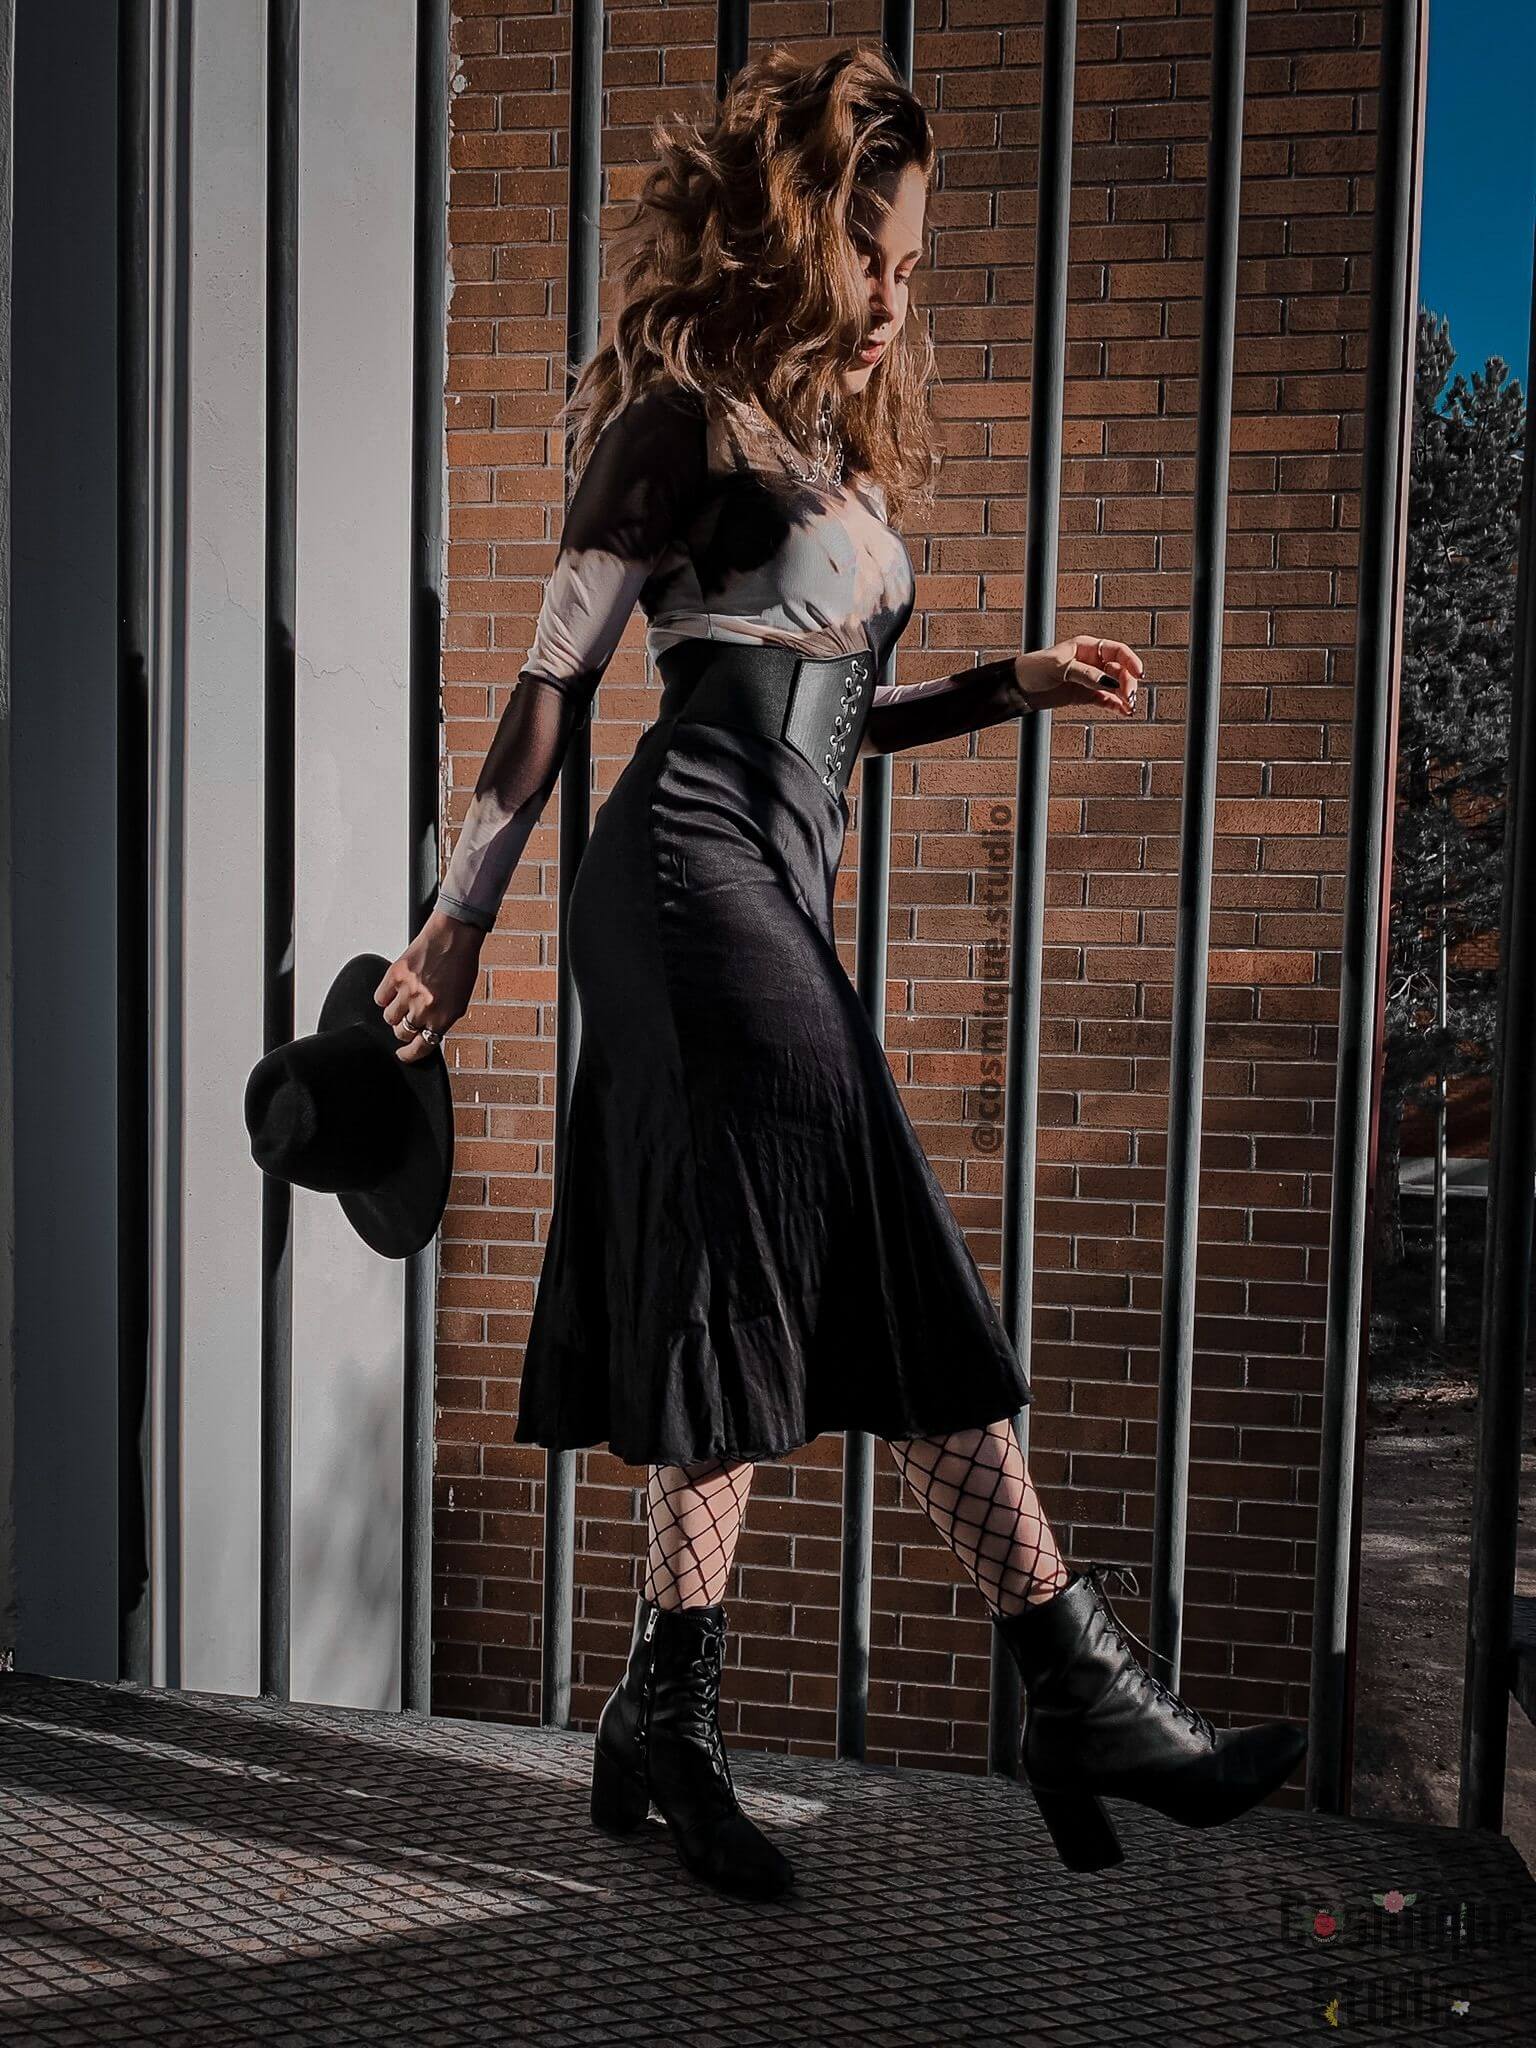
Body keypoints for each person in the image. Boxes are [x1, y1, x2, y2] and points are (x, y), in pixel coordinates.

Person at [375, 43, 1306, 1899]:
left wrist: (1007, 686)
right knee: (861, 1188)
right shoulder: (677, 430)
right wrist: (459, 920)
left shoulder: (829, 460)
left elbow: (838, 716)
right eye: (877, 257)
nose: (900, 296)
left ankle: (667, 1704)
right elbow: (554, 686)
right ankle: (1070, 1665)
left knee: (739, 1266)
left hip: (769, 874)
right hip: (678, 870)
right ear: (795, 245)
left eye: (916, 266)